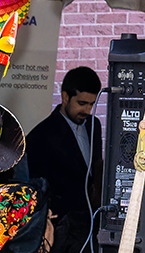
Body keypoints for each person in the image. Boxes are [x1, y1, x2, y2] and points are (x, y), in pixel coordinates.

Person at [23, 66, 103, 232]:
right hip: (59, 229)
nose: (87, 110)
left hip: (91, 224)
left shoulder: (94, 125)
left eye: (92, 104)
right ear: (65, 97)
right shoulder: (40, 136)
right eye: (82, 103)